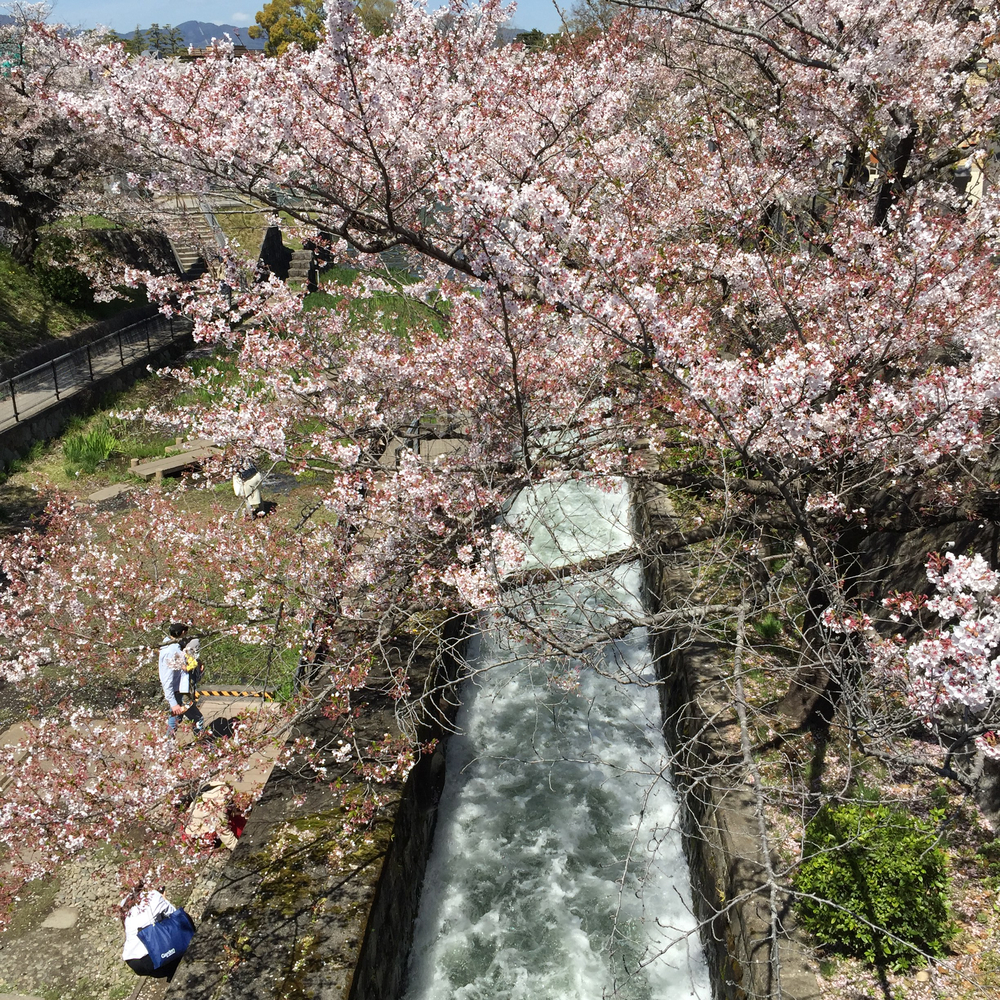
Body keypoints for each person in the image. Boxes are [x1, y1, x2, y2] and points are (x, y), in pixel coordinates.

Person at [120, 886, 187, 980]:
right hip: (157, 957)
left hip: (136, 961)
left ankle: (171, 972)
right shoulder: (154, 895)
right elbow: (176, 918)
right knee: (183, 926)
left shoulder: (125, 904)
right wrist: (164, 899)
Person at [159, 623, 204, 738]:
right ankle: (204, 744)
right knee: (197, 718)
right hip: (179, 692)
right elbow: (167, 679)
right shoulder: (172, 651)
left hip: (178, 691)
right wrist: (173, 703)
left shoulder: (168, 644)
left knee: (175, 719)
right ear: (183, 632)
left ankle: (168, 747)